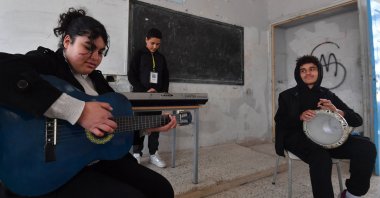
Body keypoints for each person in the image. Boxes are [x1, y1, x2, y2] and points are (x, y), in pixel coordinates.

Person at [0, 8, 176, 198]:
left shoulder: (97, 81)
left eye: (101, 52)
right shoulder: (47, 62)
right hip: (50, 168)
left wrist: (146, 128)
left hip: (95, 158)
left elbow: (111, 127)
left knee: (162, 189)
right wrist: (79, 111)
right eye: (88, 47)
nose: (96, 58)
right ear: (67, 41)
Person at [274, 55, 377, 198]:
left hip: (328, 139)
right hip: (297, 138)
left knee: (367, 147)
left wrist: (337, 110)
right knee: (321, 158)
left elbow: (357, 120)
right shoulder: (287, 95)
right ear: (298, 74)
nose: (308, 73)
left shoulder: (327, 94)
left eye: (312, 69)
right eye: (303, 70)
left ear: (319, 72)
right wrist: (299, 116)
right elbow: (280, 121)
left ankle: (352, 194)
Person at [128, 28, 169, 168]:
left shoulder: (161, 58)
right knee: (139, 124)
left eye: (158, 44)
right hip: (141, 97)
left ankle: (153, 153)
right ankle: (137, 154)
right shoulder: (138, 54)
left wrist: (161, 93)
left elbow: (165, 78)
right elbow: (132, 75)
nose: (154, 47)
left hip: (157, 98)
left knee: (156, 124)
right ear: (146, 39)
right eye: (152, 43)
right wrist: (144, 90)